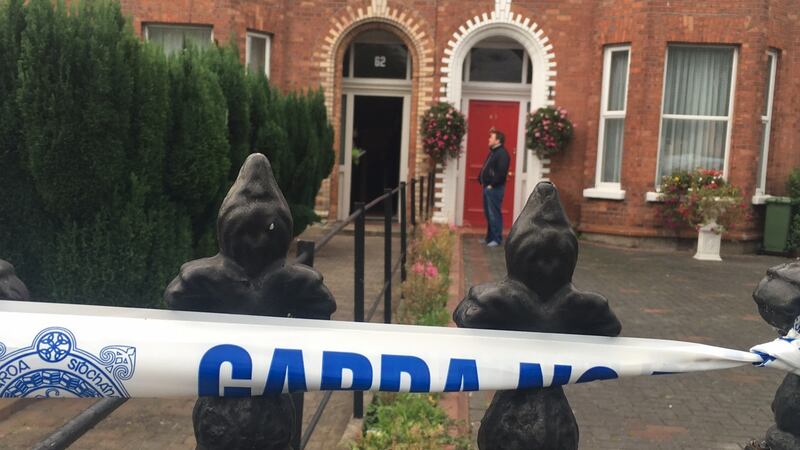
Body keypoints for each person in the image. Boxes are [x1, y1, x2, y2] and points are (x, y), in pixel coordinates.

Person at [478, 129, 510, 247]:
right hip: (488, 188)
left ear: (497, 140)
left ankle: (496, 239)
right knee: (489, 214)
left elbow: (501, 173)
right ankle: (489, 238)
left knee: (494, 214)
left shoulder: (502, 154)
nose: (489, 139)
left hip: (494, 189)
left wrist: (492, 185)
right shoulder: (494, 152)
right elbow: (487, 168)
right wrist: (481, 179)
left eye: (491, 137)